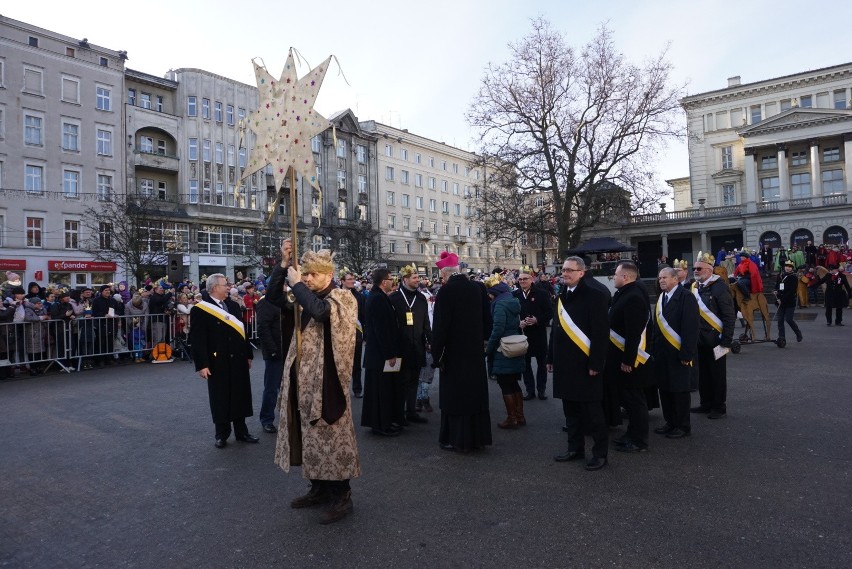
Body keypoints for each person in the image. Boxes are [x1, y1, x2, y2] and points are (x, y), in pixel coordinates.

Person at [273, 248, 360, 526]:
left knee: (331, 438)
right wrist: (282, 266)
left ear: (329, 275)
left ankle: (341, 495)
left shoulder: (342, 296)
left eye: (313, 275)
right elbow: (275, 300)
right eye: (305, 274)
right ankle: (319, 488)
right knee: (309, 436)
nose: (307, 278)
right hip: (304, 378)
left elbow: (321, 312)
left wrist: (297, 284)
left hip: (328, 380)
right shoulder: (303, 297)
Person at [548, 256, 610, 471]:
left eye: (570, 270)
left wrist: (596, 363)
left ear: (581, 272)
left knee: (593, 413)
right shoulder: (561, 296)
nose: (565, 273)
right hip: (565, 365)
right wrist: (550, 358)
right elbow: (556, 331)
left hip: (586, 365)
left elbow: (601, 334)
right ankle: (575, 448)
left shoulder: (595, 295)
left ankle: (600, 454)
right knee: (571, 412)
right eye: (563, 270)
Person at [431, 251, 492, 453]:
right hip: (474, 352)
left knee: (456, 397)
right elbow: (487, 321)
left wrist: (436, 353)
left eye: (441, 276)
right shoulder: (478, 288)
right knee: (475, 394)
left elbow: (440, 327)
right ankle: (478, 438)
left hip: (454, 353)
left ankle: (457, 439)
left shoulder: (446, 292)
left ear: (447, 274)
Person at [189, 273, 257, 449]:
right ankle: (221, 434)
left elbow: (243, 333)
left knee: (240, 395)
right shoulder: (201, 309)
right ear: (214, 288)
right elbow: (198, 339)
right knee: (221, 397)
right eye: (224, 285)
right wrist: (202, 364)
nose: (228, 287)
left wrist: (248, 354)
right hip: (217, 360)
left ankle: (242, 432)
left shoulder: (233, 306)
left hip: (238, 358)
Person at [606, 261, 654, 453]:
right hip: (620, 357)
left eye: (616, 275)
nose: (613, 278)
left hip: (631, 360)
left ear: (625, 277)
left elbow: (634, 333)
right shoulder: (624, 294)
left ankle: (639, 440)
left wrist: (628, 360)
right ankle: (631, 434)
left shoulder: (633, 297)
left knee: (635, 401)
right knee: (629, 399)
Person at [653, 267, 699, 439]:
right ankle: (670, 422)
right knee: (665, 390)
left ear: (675, 279)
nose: (661, 281)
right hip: (662, 353)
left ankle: (682, 425)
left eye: (664, 277)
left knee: (679, 391)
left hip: (678, 353)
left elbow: (690, 329)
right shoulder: (661, 298)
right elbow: (657, 328)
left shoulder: (686, 297)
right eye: (659, 278)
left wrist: (687, 354)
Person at [690, 253, 736, 420]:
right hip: (700, 339)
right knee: (703, 373)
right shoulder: (695, 287)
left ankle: (719, 406)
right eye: (694, 268)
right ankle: (706, 403)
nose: (695, 271)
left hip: (717, 339)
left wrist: (726, 340)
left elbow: (729, 315)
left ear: (709, 270)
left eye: (699, 268)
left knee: (717, 375)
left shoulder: (720, 287)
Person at [361, 268, 403, 437]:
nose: (393, 281)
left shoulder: (379, 296)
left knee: (382, 390)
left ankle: (383, 422)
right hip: (379, 355)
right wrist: (389, 354)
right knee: (380, 392)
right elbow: (381, 330)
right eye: (391, 278)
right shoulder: (377, 298)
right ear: (384, 281)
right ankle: (380, 425)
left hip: (378, 354)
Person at [388, 265, 432, 426]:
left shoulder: (421, 298)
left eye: (418, 278)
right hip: (401, 347)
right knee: (401, 382)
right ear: (405, 279)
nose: (417, 280)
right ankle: (399, 414)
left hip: (417, 347)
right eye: (414, 278)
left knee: (414, 380)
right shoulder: (394, 298)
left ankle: (411, 411)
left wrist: (430, 340)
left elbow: (426, 322)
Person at [484, 274, 526, 429]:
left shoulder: (500, 305)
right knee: (514, 383)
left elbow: (498, 329)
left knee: (505, 384)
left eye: (490, 292)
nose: (488, 295)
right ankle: (520, 416)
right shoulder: (512, 301)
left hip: (504, 349)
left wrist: (489, 348)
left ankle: (512, 418)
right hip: (514, 345)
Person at [513, 267, 552, 401]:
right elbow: (512, 315)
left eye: (525, 279)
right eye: (520, 279)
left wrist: (537, 320)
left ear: (531, 279)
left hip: (539, 334)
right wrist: (519, 323)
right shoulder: (515, 295)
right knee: (525, 365)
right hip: (523, 335)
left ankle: (541, 390)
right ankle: (530, 391)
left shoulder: (542, 293)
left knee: (542, 364)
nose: (522, 281)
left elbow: (550, 312)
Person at [255, 293, 282, 434]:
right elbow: (263, 328)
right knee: (271, 388)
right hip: (275, 352)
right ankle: (267, 419)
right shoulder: (265, 301)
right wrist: (272, 350)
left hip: (288, 349)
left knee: (288, 387)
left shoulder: (286, 298)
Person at [340, 271, 366, 398]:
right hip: (340, 334)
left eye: (353, 279)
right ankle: (340, 390)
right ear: (342, 281)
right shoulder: (336, 295)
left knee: (356, 364)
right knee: (341, 363)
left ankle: (357, 389)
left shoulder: (360, 297)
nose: (352, 281)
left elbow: (363, 316)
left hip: (356, 333)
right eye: (349, 279)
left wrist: (364, 334)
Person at [775, 260, 804, 343]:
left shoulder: (793, 277)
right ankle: (782, 338)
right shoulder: (780, 276)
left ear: (792, 268)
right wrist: (775, 290)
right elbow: (777, 286)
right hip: (780, 301)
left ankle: (798, 333)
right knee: (780, 320)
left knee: (789, 319)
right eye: (786, 266)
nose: (787, 268)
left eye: (789, 267)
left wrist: (782, 299)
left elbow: (791, 291)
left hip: (789, 302)